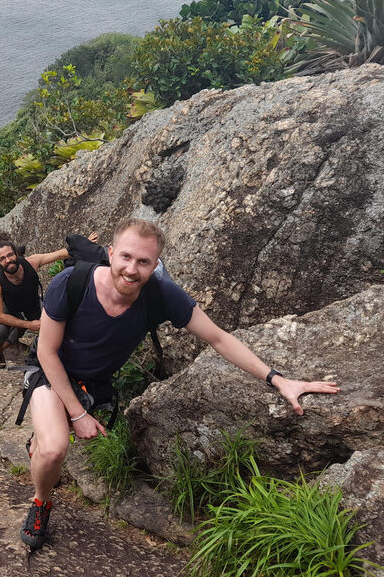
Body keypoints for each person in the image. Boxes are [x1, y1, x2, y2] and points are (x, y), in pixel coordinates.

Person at [21, 218, 339, 549]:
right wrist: (76, 413)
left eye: (143, 262)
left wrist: (279, 379)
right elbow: (47, 351)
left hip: (94, 381)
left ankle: (44, 435)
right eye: (126, 257)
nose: (132, 270)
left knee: (48, 446)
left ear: (155, 265)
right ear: (111, 253)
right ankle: (41, 502)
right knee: (55, 448)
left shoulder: (161, 296)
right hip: (50, 368)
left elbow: (218, 338)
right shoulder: (72, 282)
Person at [0, 236, 70, 387]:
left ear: (16, 253)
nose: (8, 260)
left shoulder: (31, 262)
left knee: (57, 320)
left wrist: (85, 244)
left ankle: (61, 363)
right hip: (10, 308)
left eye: (10, 255)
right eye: (2, 258)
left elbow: (59, 254)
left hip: (32, 305)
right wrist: (28, 324)